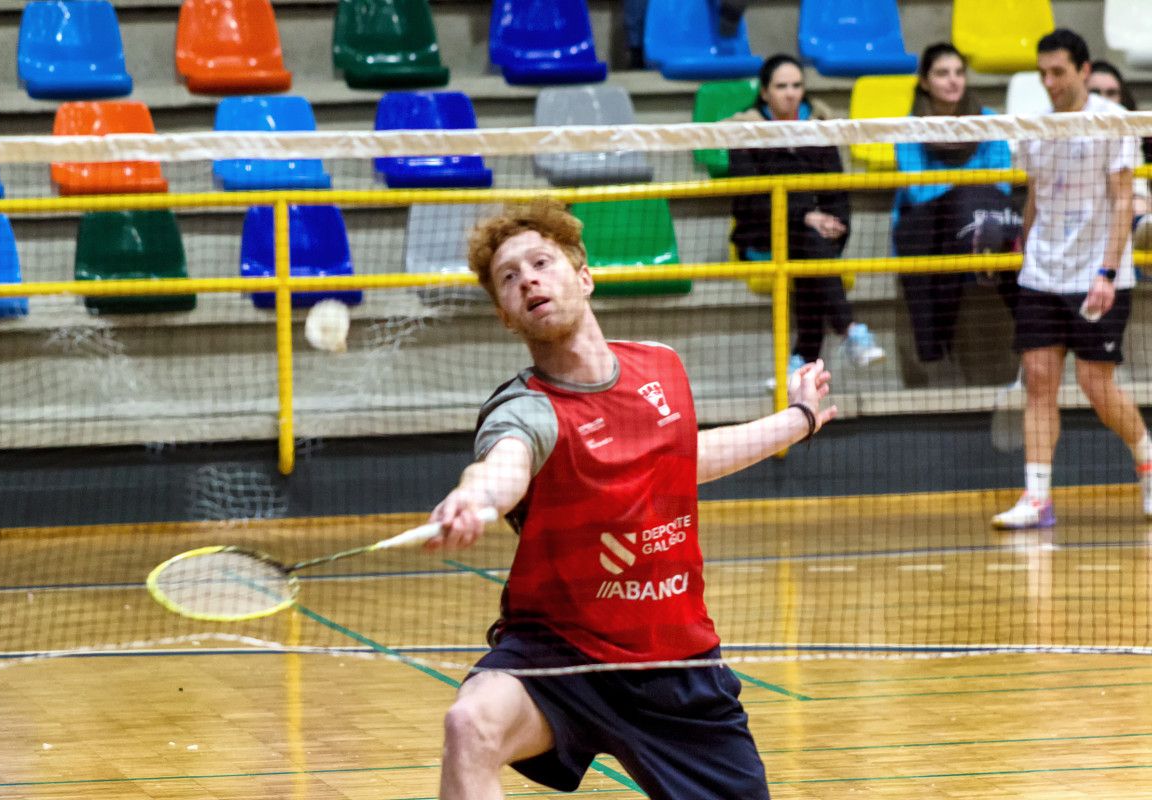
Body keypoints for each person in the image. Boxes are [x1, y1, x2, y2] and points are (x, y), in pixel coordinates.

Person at [427, 198, 836, 799]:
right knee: (471, 724)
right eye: (508, 278)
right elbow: (504, 464)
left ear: (584, 276)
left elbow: (683, 460)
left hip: (677, 665)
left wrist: (798, 417)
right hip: (562, 654)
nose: (528, 280)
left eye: (541, 262)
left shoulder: (662, 367)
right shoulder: (526, 409)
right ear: (506, 316)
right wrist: (475, 498)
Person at [992, 29, 1152, 529]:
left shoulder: (1114, 122)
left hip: (1097, 275)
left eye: (1058, 72)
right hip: (1042, 273)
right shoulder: (1034, 126)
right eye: (1043, 73)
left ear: (1083, 71)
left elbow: (1123, 199)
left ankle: (1148, 460)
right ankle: (1037, 497)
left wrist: (1106, 271)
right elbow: (1036, 195)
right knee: (1039, 381)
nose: (1049, 82)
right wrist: (1025, 246)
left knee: (1095, 384)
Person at [728, 53, 884, 390]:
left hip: (814, 235)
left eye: (797, 85)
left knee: (811, 249)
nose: (790, 93)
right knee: (809, 245)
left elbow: (837, 191)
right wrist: (805, 216)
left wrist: (836, 224)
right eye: (781, 86)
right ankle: (850, 330)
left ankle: (801, 362)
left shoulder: (820, 127)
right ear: (765, 92)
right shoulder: (745, 132)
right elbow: (751, 200)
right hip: (762, 234)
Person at [892, 43, 1021, 373]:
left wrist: (966, 193)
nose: (953, 81)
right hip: (928, 222)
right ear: (924, 82)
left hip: (983, 211)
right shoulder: (910, 127)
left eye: (959, 73)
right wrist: (965, 190)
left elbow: (1002, 182)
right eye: (942, 73)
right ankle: (978, 248)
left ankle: (1034, 337)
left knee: (1010, 227)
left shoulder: (989, 119)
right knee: (944, 223)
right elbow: (918, 189)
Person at [1086, 60, 1152, 250]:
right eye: (1096, 93)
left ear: (1122, 97)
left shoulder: (1133, 135)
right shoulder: (1063, 135)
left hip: (1130, 215)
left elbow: (1139, 194)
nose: (1104, 100)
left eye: (1111, 93)